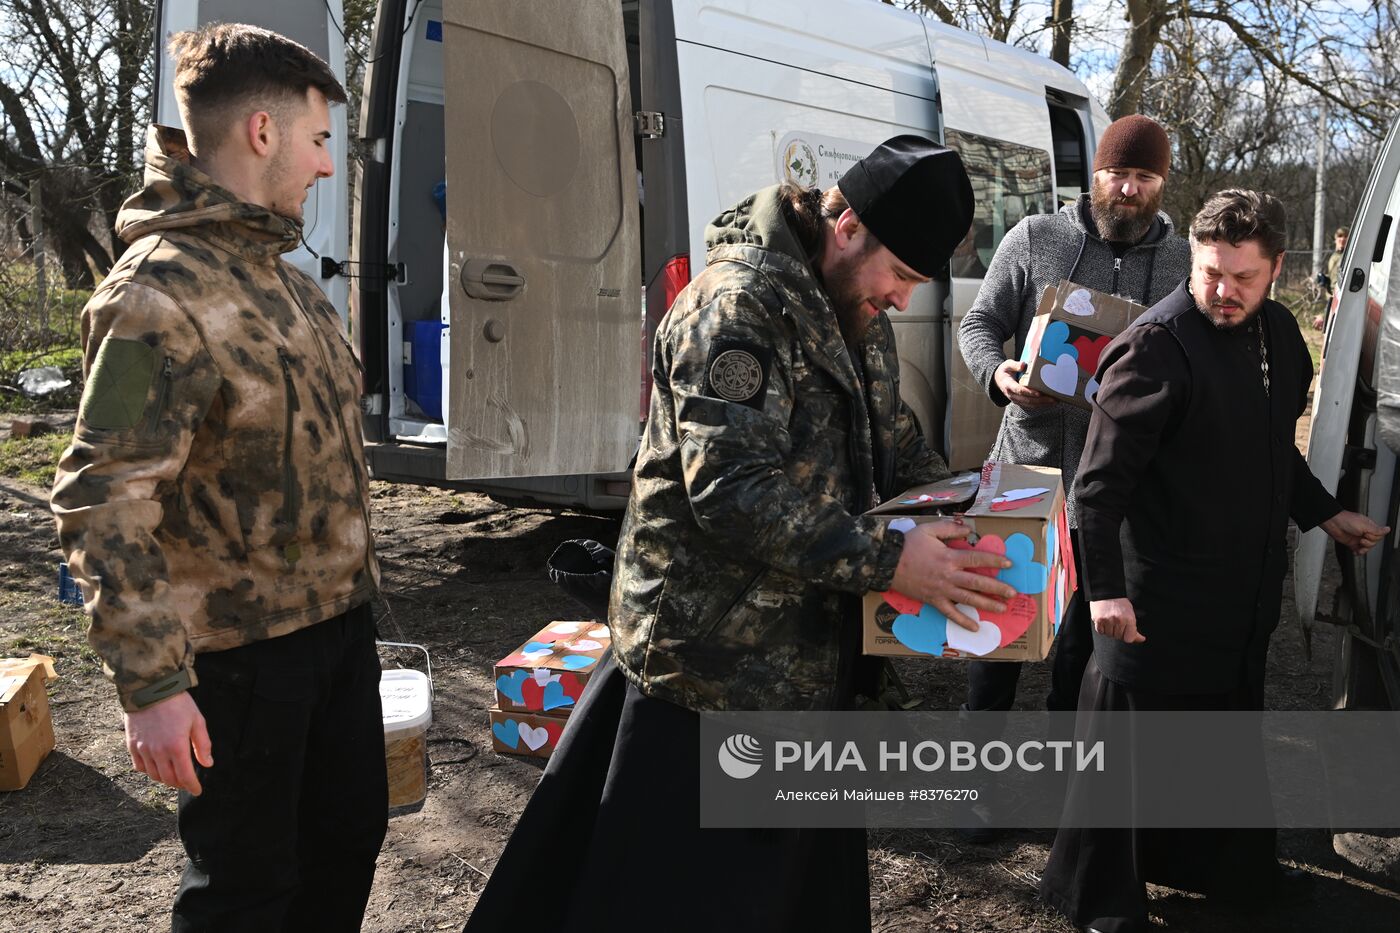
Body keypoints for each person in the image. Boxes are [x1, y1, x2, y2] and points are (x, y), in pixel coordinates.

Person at [462, 136, 1018, 932]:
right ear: (849, 223)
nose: (901, 299)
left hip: (804, 671)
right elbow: (732, 490)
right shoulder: (739, 307)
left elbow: (890, 442)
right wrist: (896, 560)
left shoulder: (853, 307)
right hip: (709, 673)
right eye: (900, 275)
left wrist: (964, 509)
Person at [50, 24, 385, 932]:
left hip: (337, 638)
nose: (325, 168)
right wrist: (154, 685)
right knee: (247, 894)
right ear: (263, 133)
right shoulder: (151, 297)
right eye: (320, 142)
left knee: (345, 851)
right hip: (241, 668)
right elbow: (100, 491)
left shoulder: (283, 280)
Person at [1039, 189, 1387, 932]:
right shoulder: (1155, 348)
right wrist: (1104, 593)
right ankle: (1100, 899)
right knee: (1133, 762)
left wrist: (1326, 511)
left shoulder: (1282, 335)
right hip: (1153, 606)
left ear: (1276, 269)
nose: (1222, 292)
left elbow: (1269, 455)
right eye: (1209, 273)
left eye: (1242, 277)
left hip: (1235, 601)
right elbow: (1095, 489)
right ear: (1192, 260)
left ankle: (1219, 871)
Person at [956, 115, 1191, 727]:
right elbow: (978, 323)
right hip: (1022, 471)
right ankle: (977, 775)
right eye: (1118, 174)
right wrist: (999, 376)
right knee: (997, 625)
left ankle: (1065, 777)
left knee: (1086, 640)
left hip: (1117, 485)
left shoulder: (1184, 264)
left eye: (1145, 176)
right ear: (1096, 175)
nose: (1129, 189)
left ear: (1162, 182)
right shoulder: (1036, 238)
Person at [1314, 226, 1348, 330]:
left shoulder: (1348, 257)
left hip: (1341, 300)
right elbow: (1334, 279)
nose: (1342, 239)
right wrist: (1326, 280)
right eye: (1340, 236)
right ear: (1335, 239)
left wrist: (1324, 316)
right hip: (1332, 298)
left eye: (1345, 236)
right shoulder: (1334, 256)